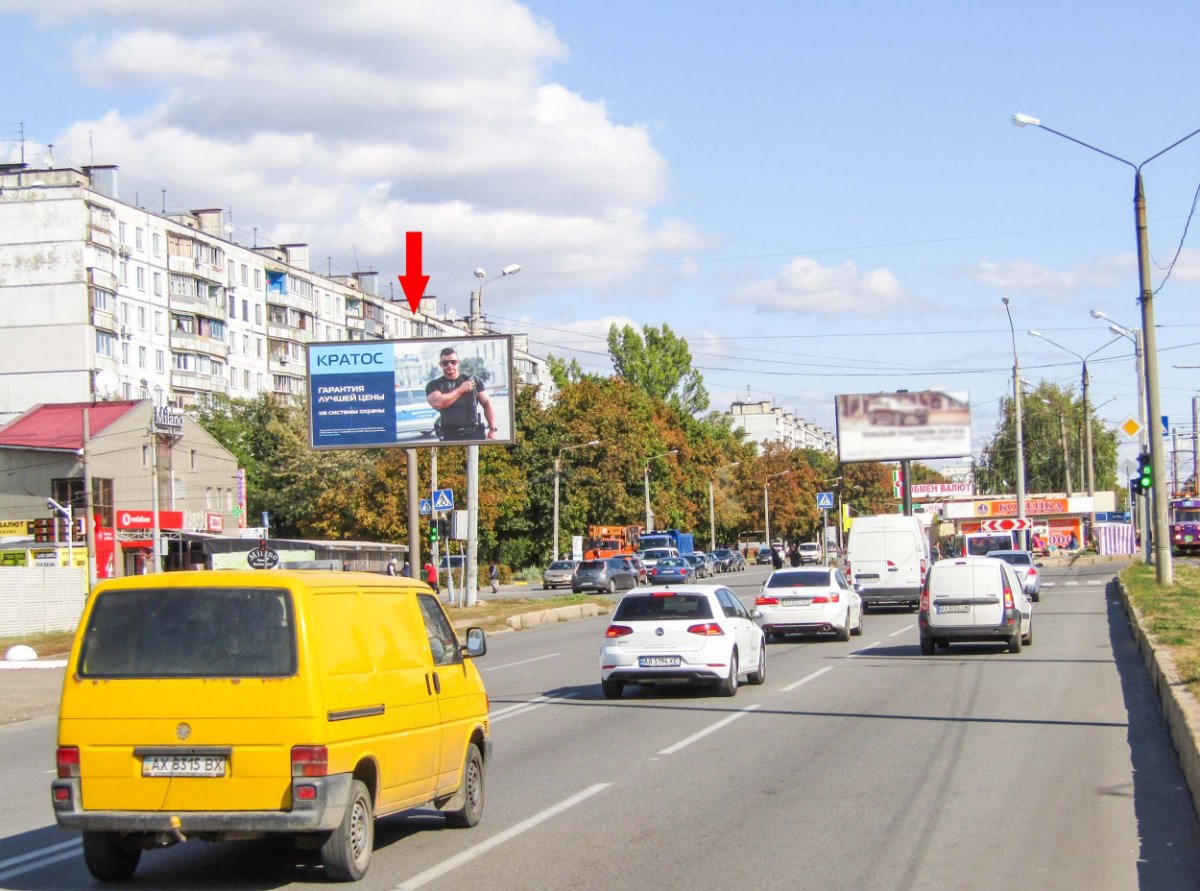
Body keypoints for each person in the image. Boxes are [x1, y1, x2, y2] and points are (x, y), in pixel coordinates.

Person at [425, 346, 498, 441]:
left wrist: (493, 429)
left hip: (474, 434)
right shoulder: (434, 385)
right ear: (441, 365)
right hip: (450, 437)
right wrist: (461, 390)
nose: (450, 365)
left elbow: (487, 403)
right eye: (445, 363)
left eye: (453, 362)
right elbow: (438, 404)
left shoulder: (473, 380)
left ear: (458, 362)